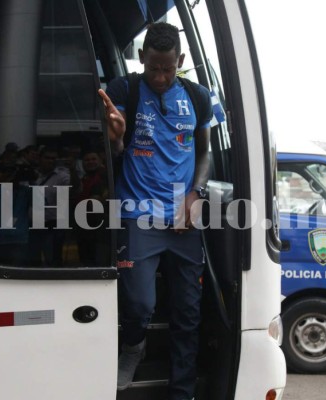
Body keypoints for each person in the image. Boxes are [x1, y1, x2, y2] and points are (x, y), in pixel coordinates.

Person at [98, 22, 212, 400]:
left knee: (188, 315)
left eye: (168, 68)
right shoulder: (125, 90)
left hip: (183, 220)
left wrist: (195, 195)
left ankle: (182, 391)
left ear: (179, 61)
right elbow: (113, 153)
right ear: (142, 59)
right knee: (139, 302)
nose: (161, 77)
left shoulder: (197, 97)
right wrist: (115, 138)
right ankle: (133, 346)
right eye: (153, 68)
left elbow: (204, 153)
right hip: (138, 215)